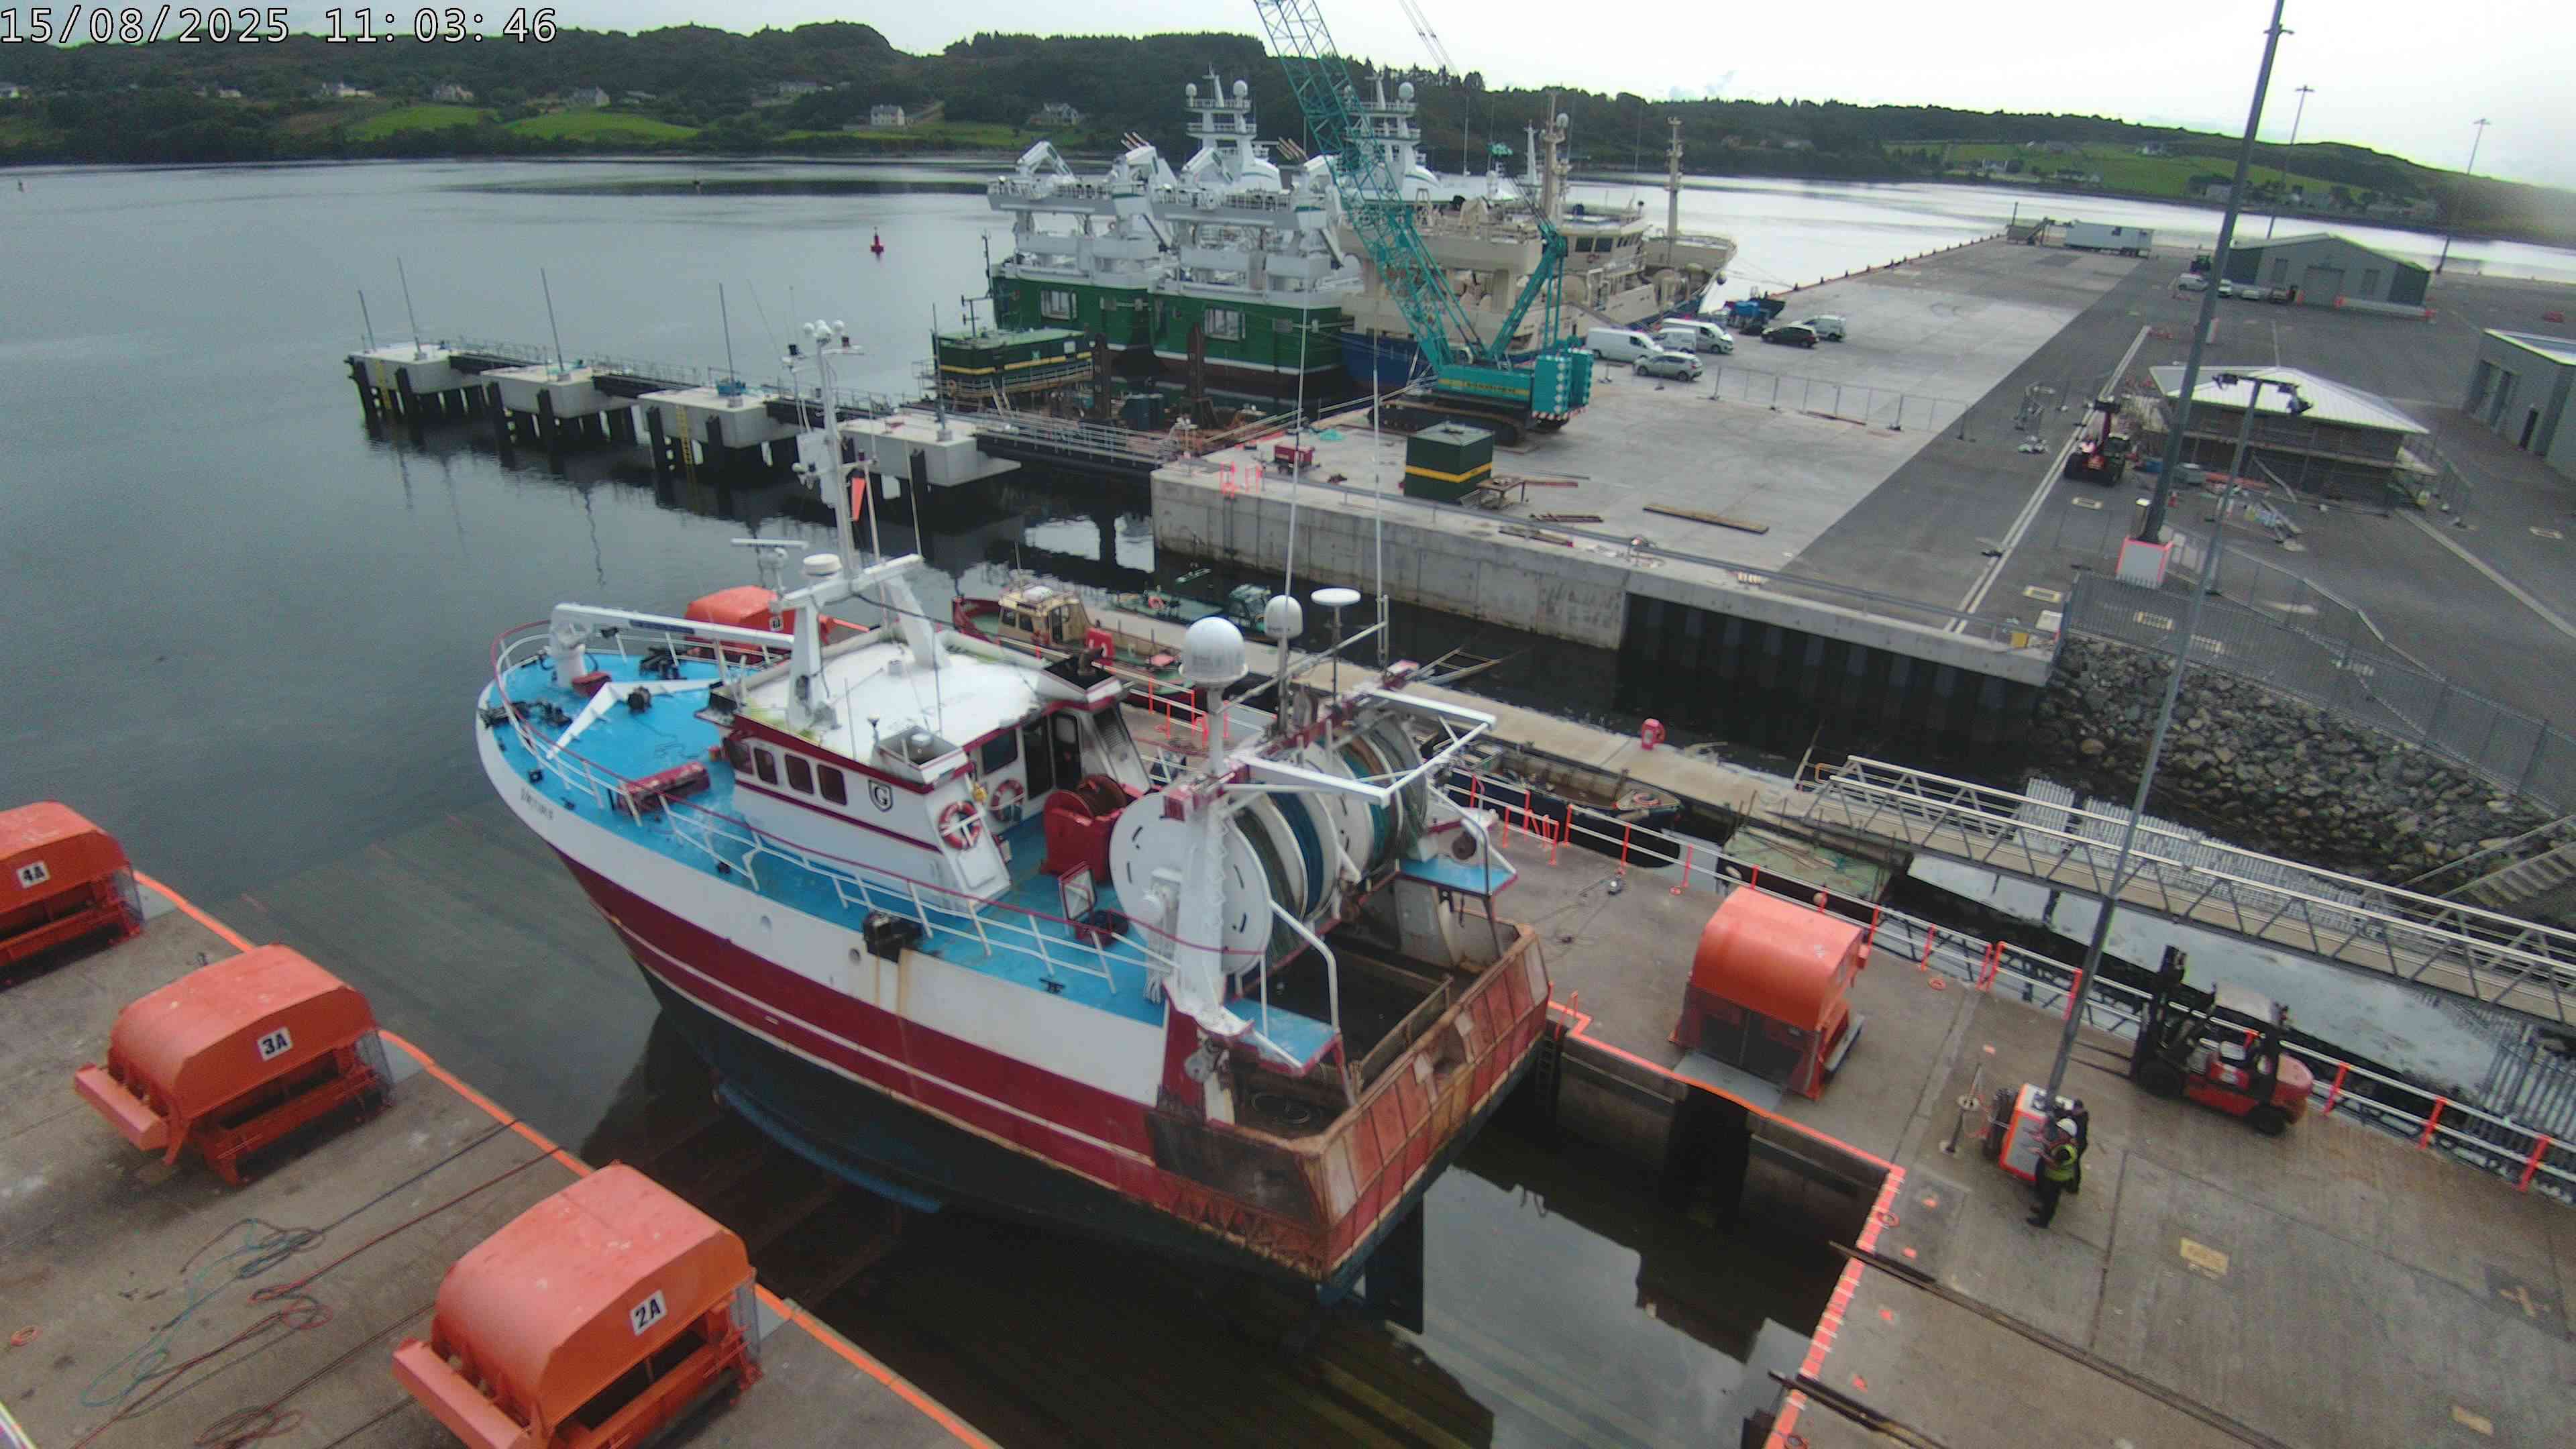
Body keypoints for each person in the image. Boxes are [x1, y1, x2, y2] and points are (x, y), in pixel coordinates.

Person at [2029, 1116, 2080, 1228]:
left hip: (2057, 1179)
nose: (2058, 1131)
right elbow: (2053, 1148)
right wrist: (2042, 1140)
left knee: (2051, 1200)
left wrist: (2040, 1153)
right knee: (2047, 1197)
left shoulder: (2065, 1151)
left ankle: (2043, 1221)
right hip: (2053, 1177)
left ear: (2066, 1134)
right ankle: (2043, 1211)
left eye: (2061, 1130)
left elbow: (2054, 1164)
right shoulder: (2065, 1142)